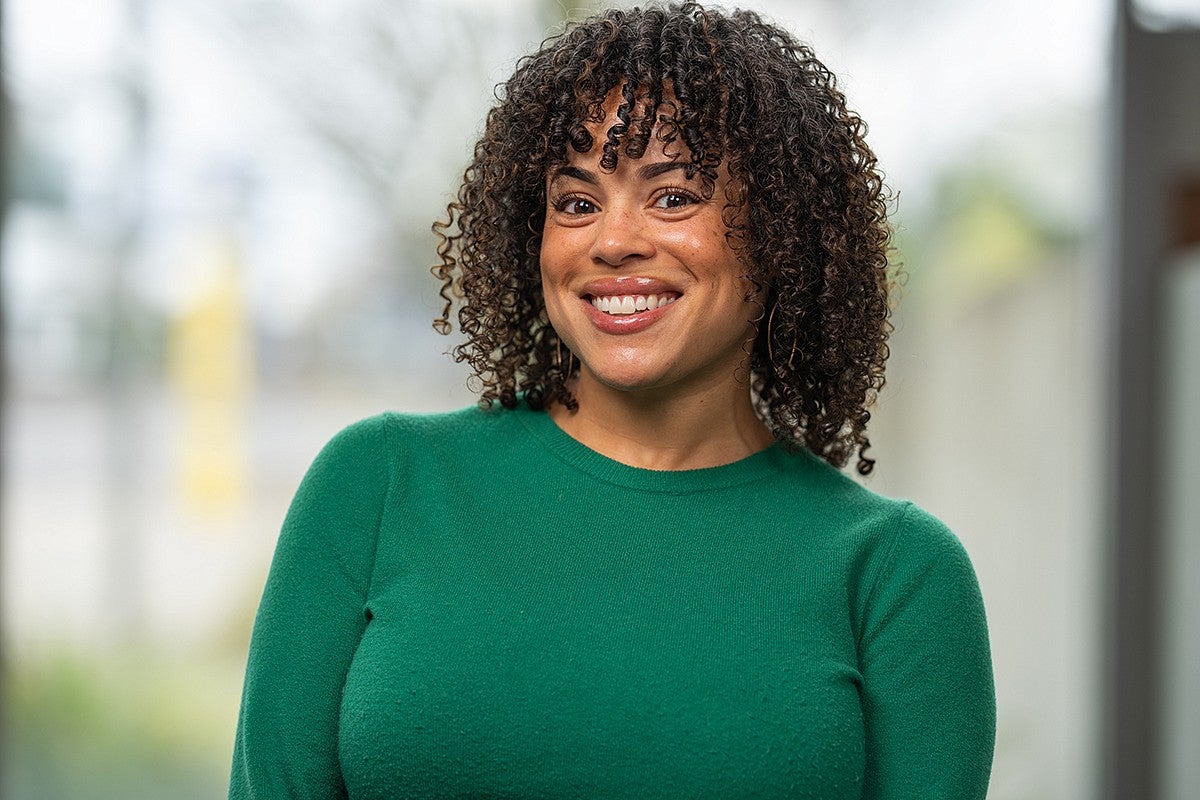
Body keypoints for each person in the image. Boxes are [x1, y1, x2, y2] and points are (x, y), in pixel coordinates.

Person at [228, 3, 996, 798]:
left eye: (672, 197)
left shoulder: (895, 576)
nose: (611, 240)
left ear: (781, 233)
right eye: (577, 201)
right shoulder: (380, 487)